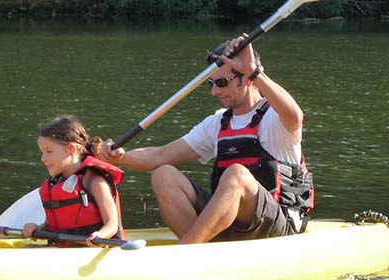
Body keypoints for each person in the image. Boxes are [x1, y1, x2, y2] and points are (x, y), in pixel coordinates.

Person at [98, 34, 314, 244]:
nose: (213, 91)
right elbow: (158, 156)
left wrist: (254, 71)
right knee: (163, 174)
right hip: (231, 226)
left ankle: (186, 252)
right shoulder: (217, 123)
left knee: (237, 174)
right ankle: (200, 249)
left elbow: (295, 116)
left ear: (246, 79)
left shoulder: (274, 117)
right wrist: (118, 157)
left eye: (222, 82)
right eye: (211, 83)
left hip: (278, 227)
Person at [21, 116, 127, 247]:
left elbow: (112, 224)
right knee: (29, 247)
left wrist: (101, 235)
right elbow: (50, 226)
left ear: (71, 149)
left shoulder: (94, 180)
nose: (43, 158)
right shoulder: (56, 183)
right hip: (66, 249)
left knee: (31, 251)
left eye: (49, 151)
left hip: (96, 249)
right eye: (42, 152)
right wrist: (37, 228)